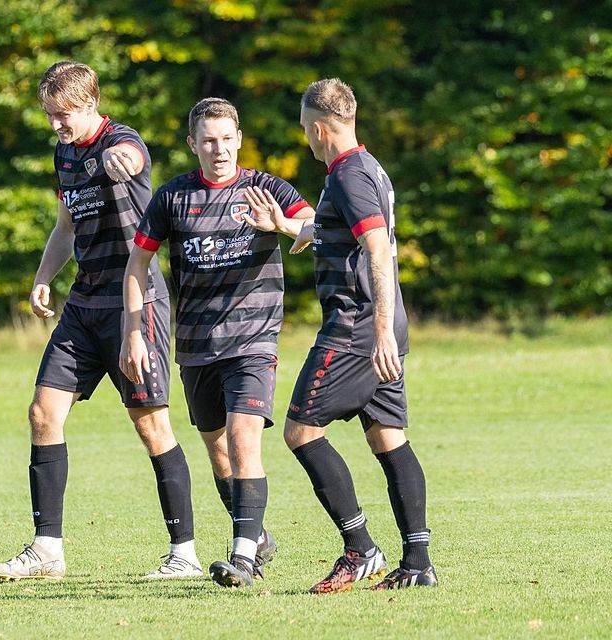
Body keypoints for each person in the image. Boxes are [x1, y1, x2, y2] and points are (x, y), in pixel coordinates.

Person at [0, 61, 201, 581]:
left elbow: (131, 156)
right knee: (41, 414)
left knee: (151, 426)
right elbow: (65, 224)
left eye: (63, 115)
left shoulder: (121, 140)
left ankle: (185, 553)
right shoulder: (64, 152)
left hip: (136, 304)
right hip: (83, 304)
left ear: (88, 104)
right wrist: (43, 276)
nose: (55, 124)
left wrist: (122, 162)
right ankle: (47, 550)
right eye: (49, 116)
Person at [122, 97, 315, 588]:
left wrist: (283, 225)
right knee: (219, 451)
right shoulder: (171, 198)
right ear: (193, 144)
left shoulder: (266, 188)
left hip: (253, 340)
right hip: (194, 345)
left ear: (239, 140)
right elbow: (137, 265)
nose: (220, 149)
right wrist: (134, 329)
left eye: (227, 139)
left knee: (245, 438)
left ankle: (243, 557)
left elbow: (315, 226)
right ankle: (258, 536)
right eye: (209, 140)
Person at [285, 77, 437, 592]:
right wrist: (287, 228)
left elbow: (375, 248)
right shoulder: (368, 168)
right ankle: (418, 564)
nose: (306, 138)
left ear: (322, 128)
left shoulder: (347, 175)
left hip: (356, 326)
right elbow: (344, 235)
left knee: (301, 432)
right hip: (383, 324)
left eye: (307, 129)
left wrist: (377, 333)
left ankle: (360, 548)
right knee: (388, 437)